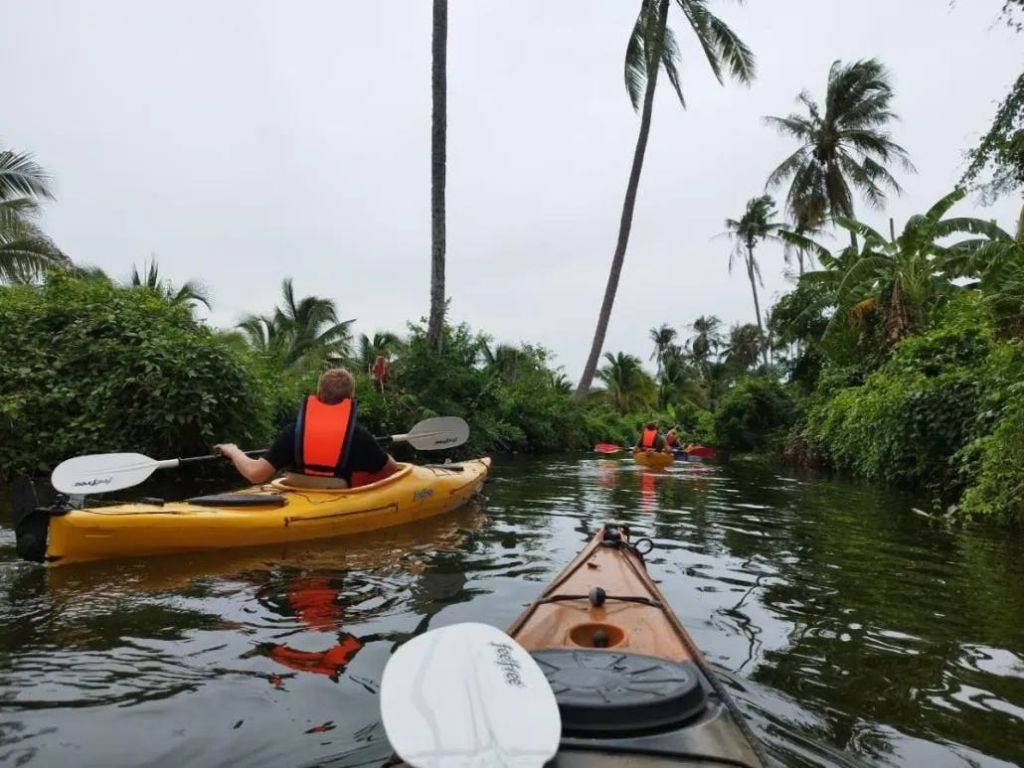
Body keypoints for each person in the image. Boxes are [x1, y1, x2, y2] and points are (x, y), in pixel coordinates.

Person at [216, 367, 399, 489]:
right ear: (350, 399)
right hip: (339, 498)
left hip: (297, 495)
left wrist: (233, 451)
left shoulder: (294, 431)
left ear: (318, 395)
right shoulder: (359, 436)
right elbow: (391, 470)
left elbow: (255, 475)